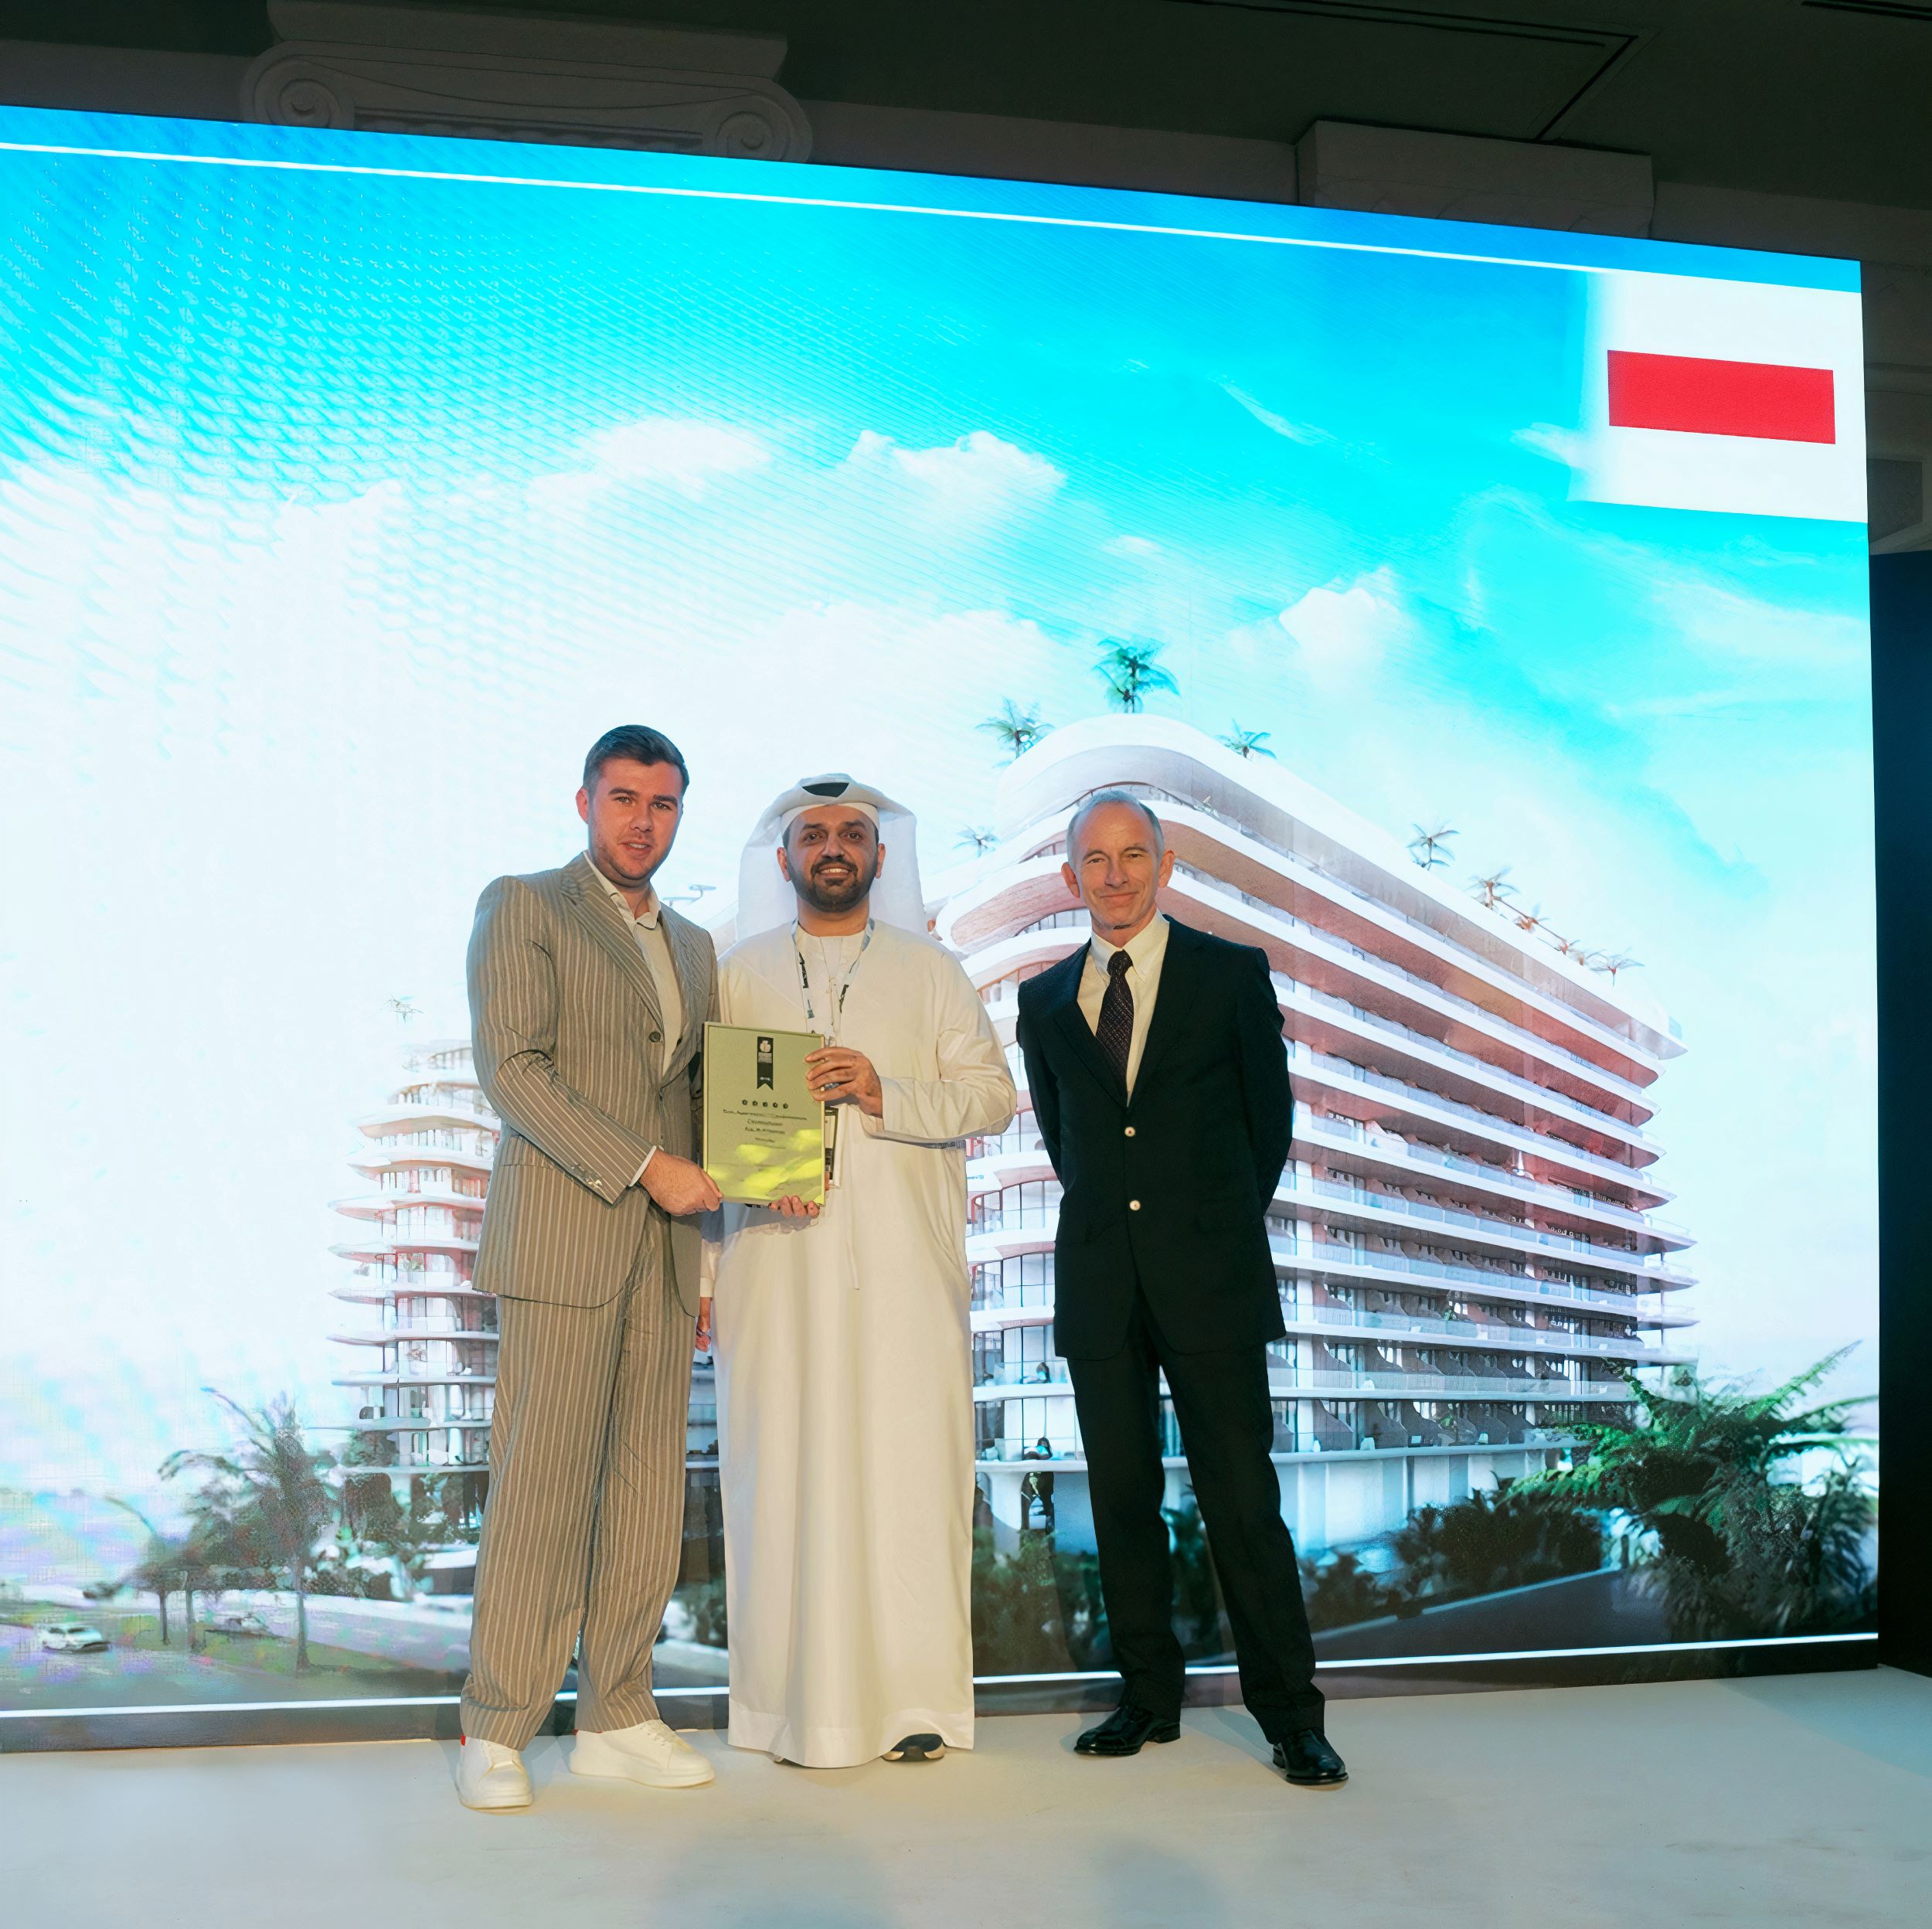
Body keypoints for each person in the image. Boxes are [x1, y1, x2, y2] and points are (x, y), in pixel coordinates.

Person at [1015, 789, 1347, 1790]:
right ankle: (1146, 1700)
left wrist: (1202, 1227)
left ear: (1164, 866)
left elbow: (1267, 1127)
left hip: (1212, 1280)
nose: (1115, 876)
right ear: (1070, 877)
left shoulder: (1230, 974)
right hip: (1100, 1286)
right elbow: (1067, 1140)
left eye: (1133, 855)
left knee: (1243, 1503)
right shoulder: (1041, 1001)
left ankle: (1291, 1718)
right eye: (1096, 859)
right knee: (1122, 1504)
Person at [702, 774, 1015, 1769]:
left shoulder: (931, 969)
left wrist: (885, 1091)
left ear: (881, 856)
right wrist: (705, 1280)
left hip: (903, 1273)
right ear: (784, 857)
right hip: (770, 1269)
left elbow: (991, 1097)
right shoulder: (736, 973)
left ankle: (913, 1705)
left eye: (851, 834)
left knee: (906, 1476)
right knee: (780, 1478)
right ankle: (784, 1710)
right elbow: (703, 1123)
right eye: (813, 834)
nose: (832, 848)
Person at [454, 726, 723, 1813]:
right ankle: (496, 1726)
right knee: (541, 1486)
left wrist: (767, 1179)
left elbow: (701, 1099)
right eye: (624, 799)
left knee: (649, 1490)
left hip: (664, 1255)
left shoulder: (694, 946)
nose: (642, 822)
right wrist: (649, 1168)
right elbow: (513, 1070)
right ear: (584, 802)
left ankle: (618, 1713)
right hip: (564, 1239)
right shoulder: (524, 905)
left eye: (662, 804)